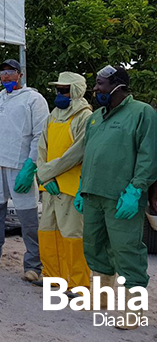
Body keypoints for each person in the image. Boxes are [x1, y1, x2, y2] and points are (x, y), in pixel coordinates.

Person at [76, 65, 157, 329]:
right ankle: (101, 297)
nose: (96, 89)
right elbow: (89, 155)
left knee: (127, 251)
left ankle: (133, 312)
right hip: (93, 194)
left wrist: (137, 188)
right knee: (95, 247)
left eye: (100, 84)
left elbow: (149, 154)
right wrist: (81, 187)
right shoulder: (96, 117)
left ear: (118, 86)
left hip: (122, 196)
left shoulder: (142, 113)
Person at [0, 59, 49, 284]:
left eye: (10, 72)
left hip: (19, 167)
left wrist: (30, 165)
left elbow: (39, 135)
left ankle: (34, 265)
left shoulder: (34, 99)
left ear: (20, 74)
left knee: (28, 219)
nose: (6, 76)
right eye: (3, 72)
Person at [35, 72, 92, 293]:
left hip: (69, 186)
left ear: (76, 90)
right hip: (49, 187)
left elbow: (75, 154)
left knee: (73, 237)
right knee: (48, 232)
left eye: (64, 89)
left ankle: (79, 285)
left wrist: (46, 173)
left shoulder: (85, 117)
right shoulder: (53, 115)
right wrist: (44, 175)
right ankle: (53, 279)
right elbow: (42, 148)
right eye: (58, 89)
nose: (59, 93)